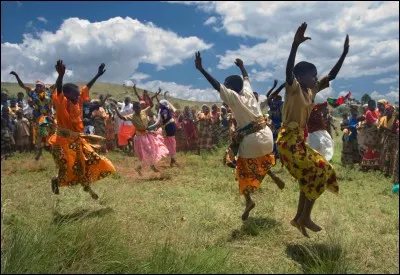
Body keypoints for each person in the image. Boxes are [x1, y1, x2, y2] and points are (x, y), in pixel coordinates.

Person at [195, 52, 284, 221]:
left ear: (229, 88)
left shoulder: (233, 97)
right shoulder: (249, 92)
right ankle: (272, 175)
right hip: (267, 138)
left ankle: (249, 200)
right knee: (261, 158)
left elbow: (216, 85)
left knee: (240, 167)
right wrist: (242, 66)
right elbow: (246, 78)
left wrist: (201, 69)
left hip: (252, 140)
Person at [277, 22, 346, 237]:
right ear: (301, 77)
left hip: (298, 141)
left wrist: (343, 54)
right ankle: (304, 217)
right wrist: (294, 46)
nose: (316, 78)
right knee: (321, 170)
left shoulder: (311, 90)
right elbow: (289, 72)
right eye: (313, 75)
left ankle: (299, 218)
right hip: (287, 141)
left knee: (310, 174)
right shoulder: (294, 89)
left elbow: (331, 76)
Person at [49, 60, 116, 199]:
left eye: (79, 94)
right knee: (68, 168)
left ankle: (88, 188)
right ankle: (56, 180)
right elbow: (59, 90)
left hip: (77, 140)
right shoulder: (62, 102)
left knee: (89, 162)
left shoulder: (77, 101)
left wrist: (97, 75)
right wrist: (61, 76)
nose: (79, 96)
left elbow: (86, 88)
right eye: (75, 94)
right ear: (67, 95)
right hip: (61, 142)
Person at [112, 99, 167, 175]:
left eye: (139, 108)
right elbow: (121, 117)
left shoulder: (144, 111)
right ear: (134, 109)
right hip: (140, 137)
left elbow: (151, 105)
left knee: (152, 150)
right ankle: (147, 167)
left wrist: (148, 96)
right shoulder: (131, 116)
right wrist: (115, 108)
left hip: (147, 134)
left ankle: (144, 167)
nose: (138, 109)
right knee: (146, 152)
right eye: (137, 108)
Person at [9, 72, 55, 160]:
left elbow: (57, 84)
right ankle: (40, 152)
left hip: (49, 117)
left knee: (49, 133)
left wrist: (60, 75)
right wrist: (17, 76)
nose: (38, 87)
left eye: (40, 86)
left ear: (43, 87)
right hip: (39, 117)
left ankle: (49, 149)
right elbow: (22, 85)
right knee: (41, 134)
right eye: (37, 85)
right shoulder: (32, 93)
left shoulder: (48, 92)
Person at [148, 99, 180, 167]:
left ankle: (172, 158)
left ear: (162, 105)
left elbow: (161, 121)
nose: (158, 105)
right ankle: (172, 159)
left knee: (169, 142)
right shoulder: (165, 109)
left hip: (169, 127)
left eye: (159, 104)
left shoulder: (164, 111)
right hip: (170, 126)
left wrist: (150, 127)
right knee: (170, 142)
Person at [378, 104, 399, 177]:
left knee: (392, 155)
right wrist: (381, 128)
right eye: (385, 110)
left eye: (388, 110)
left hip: (393, 140)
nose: (386, 111)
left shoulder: (395, 119)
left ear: (391, 111)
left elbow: (394, 130)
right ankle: (384, 170)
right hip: (385, 138)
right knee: (385, 154)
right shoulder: (383, 118)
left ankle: (391, 172)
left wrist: (385, 128)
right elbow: (380, 129)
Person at [359, 100, 381, 171]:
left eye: (373, 104)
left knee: (376, 149)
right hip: (370, 134)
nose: (372, 106)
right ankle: (365, 166)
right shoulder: (368, 112)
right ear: (368, 105)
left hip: (376, 134)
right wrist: (381, 121)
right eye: (371, 104)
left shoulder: (376, 111)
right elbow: (374, 122)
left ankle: (375, 166)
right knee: (369, 149)